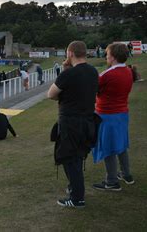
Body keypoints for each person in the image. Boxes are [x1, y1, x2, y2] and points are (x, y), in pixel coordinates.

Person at [47, 40, 99, 208]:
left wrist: (65, 74)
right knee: (76, 156)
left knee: (70, 159)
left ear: (70, 53)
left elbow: (51, 94)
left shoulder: (68, 74)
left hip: (71, 122)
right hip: (88, 121)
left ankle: (77, 198)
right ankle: (75, 190)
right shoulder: (93, 71)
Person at [92, 43, 135, 191]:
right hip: (122, 114)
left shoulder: (107, 74)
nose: (106, 56)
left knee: (108, 147)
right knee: (121, 144)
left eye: (107, 53)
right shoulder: (128, 71)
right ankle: (126, 174)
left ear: (114, 56)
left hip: (106, 115)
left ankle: (111, 181)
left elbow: (93, 88)